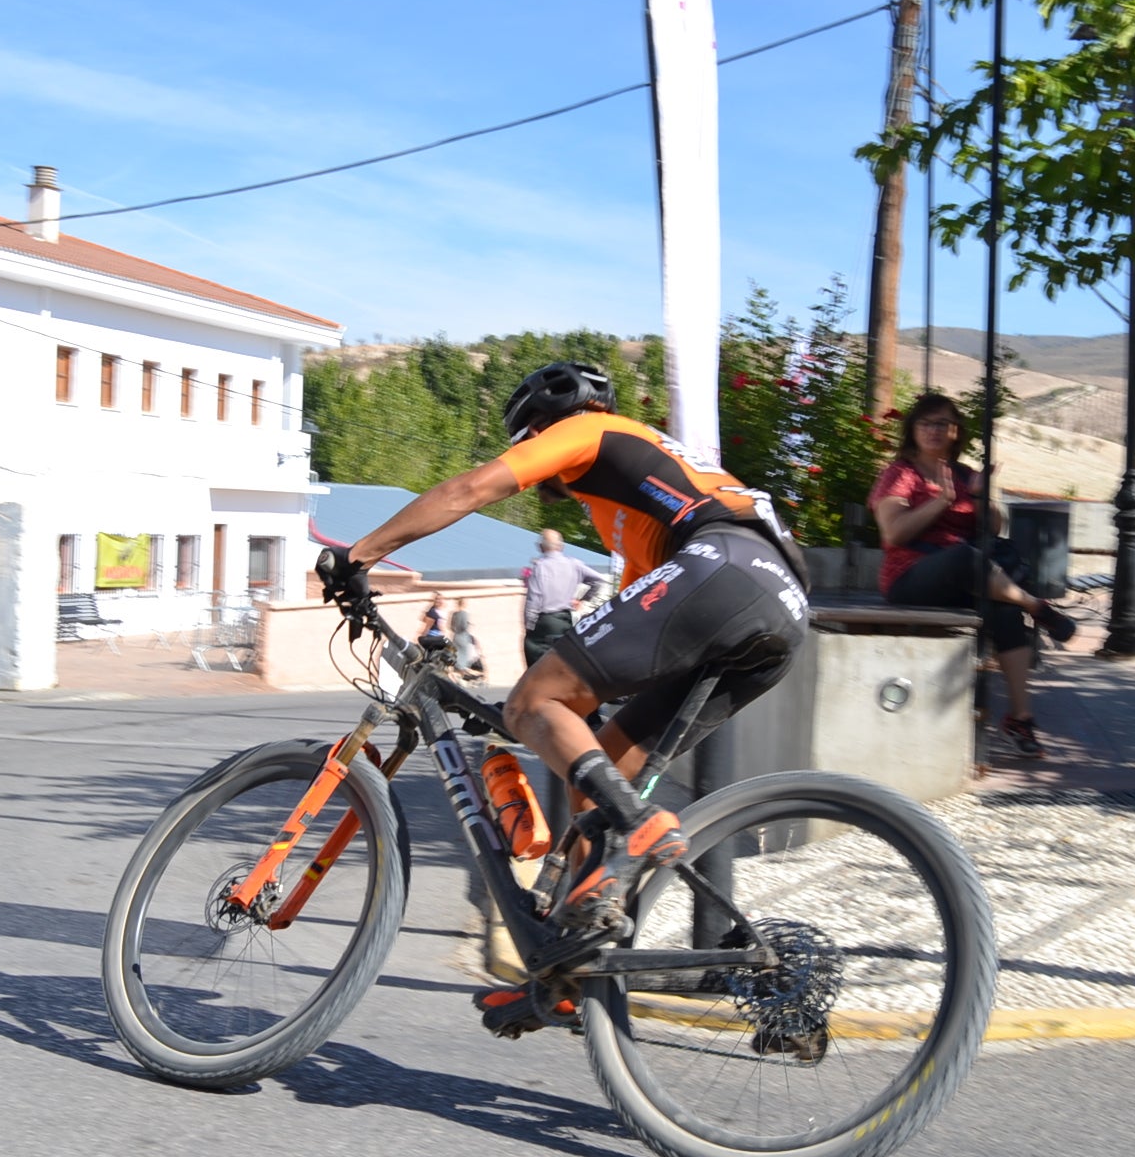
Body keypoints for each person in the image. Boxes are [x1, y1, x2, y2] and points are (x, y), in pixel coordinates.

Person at [321, 361, 809, 1032]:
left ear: (542, 427)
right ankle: (572, 973)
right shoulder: (636, 500)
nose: (529, 458)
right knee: (596, 771)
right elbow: (634, 623)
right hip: (778, 609)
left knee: (528, 705)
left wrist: (361, 554)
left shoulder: (593, 433)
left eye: (528, 442)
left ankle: (638, 831)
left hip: (723, 568)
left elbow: (469, 489)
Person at [869, 392, 1079, 759]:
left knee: (1003, 610)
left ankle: (1021, 717)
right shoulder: (901, 474)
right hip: (911, 577)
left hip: (968, 578)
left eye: (943, 424)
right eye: (926, 423)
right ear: (913, 430)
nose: (934, 431)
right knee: (964, 557)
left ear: (956, 432)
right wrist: (941, 502)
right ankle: (1037, 605)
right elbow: (894, 534)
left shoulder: (965, 474)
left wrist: (981, 498)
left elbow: (994, 529)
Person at [522, 528, 599, 667]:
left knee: (537, 665)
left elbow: (534, 599)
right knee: (564, 663)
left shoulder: (540, 567)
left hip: (544, 622)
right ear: (561, 546)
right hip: (565, 619)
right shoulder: (574, 564)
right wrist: (583, 599)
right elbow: (598, 580)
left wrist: (528, 624)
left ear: (540, 547)